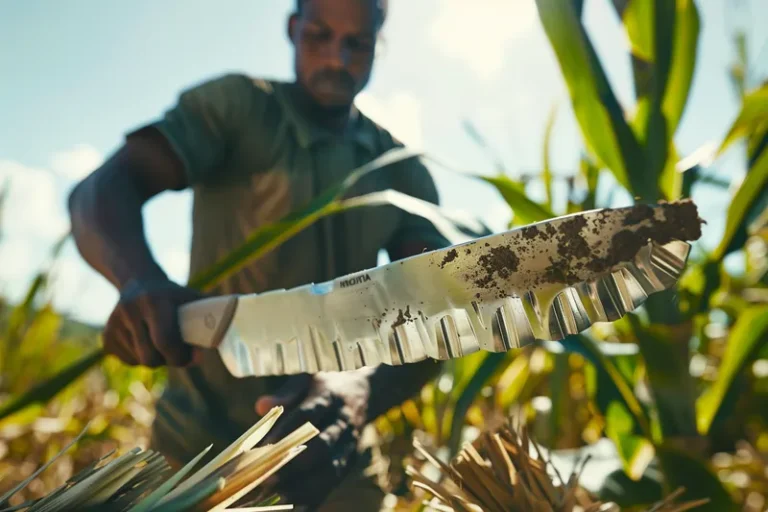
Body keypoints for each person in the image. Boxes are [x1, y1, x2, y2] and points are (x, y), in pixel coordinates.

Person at [67, 0, 452, 509]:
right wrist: (139, 280)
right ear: (293, 29)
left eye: (356, 43)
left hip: (331, 449)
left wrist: (358, 390)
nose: (337, 57)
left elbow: (435, 314)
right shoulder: (237, 108)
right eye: (319, 35)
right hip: (195, 446)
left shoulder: (403, 171)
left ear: (377, 43)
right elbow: (104, 191)